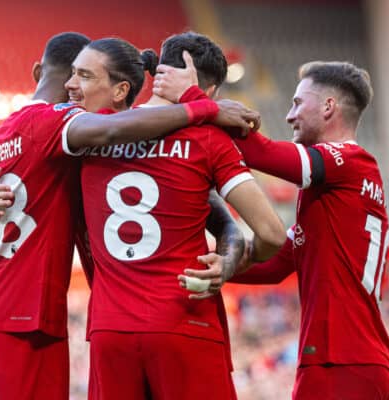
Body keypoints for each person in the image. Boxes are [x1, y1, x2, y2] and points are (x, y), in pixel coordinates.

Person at [0, 32, 260, 400]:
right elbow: (112, 128)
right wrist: (206, 108)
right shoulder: (69, 130)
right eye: (74, 75)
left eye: (84, 76)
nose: (73, 86)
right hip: (33, 318)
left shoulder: (11, 129)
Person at [156, 60, 389, 399]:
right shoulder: (332, 196)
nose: (289, 115)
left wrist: (195, 102)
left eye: (298, 103)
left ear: (329, 106)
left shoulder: (347, 160)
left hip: (341, 361)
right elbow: (274, 263)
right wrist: (209, 265)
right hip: (359, 361)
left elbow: (263, 152)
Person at [62, 34, 285, 400]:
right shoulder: (208, 141)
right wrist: (236, 263)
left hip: (110, 330)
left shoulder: (94, 132)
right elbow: (272, 234)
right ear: (209, 91)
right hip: (184, 319)